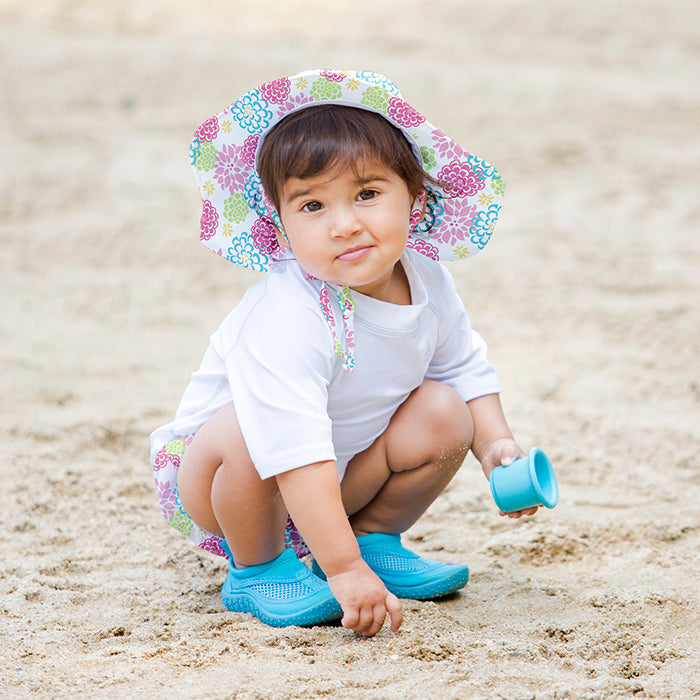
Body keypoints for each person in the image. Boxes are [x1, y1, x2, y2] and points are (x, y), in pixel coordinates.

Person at [150, 69, 538, 638]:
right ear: (279, 229)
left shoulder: (426, 279)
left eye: (367, 194)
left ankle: (371, 536)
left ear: (416, 199)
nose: (345, 225)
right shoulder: (290, 315)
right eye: (312, 206)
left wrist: (496, 443)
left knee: (445, 409)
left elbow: (462, 365)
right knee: (243, 430)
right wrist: (342, 572)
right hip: (231, 489)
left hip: (335, 477)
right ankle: (257, 569)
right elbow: (292, 445)